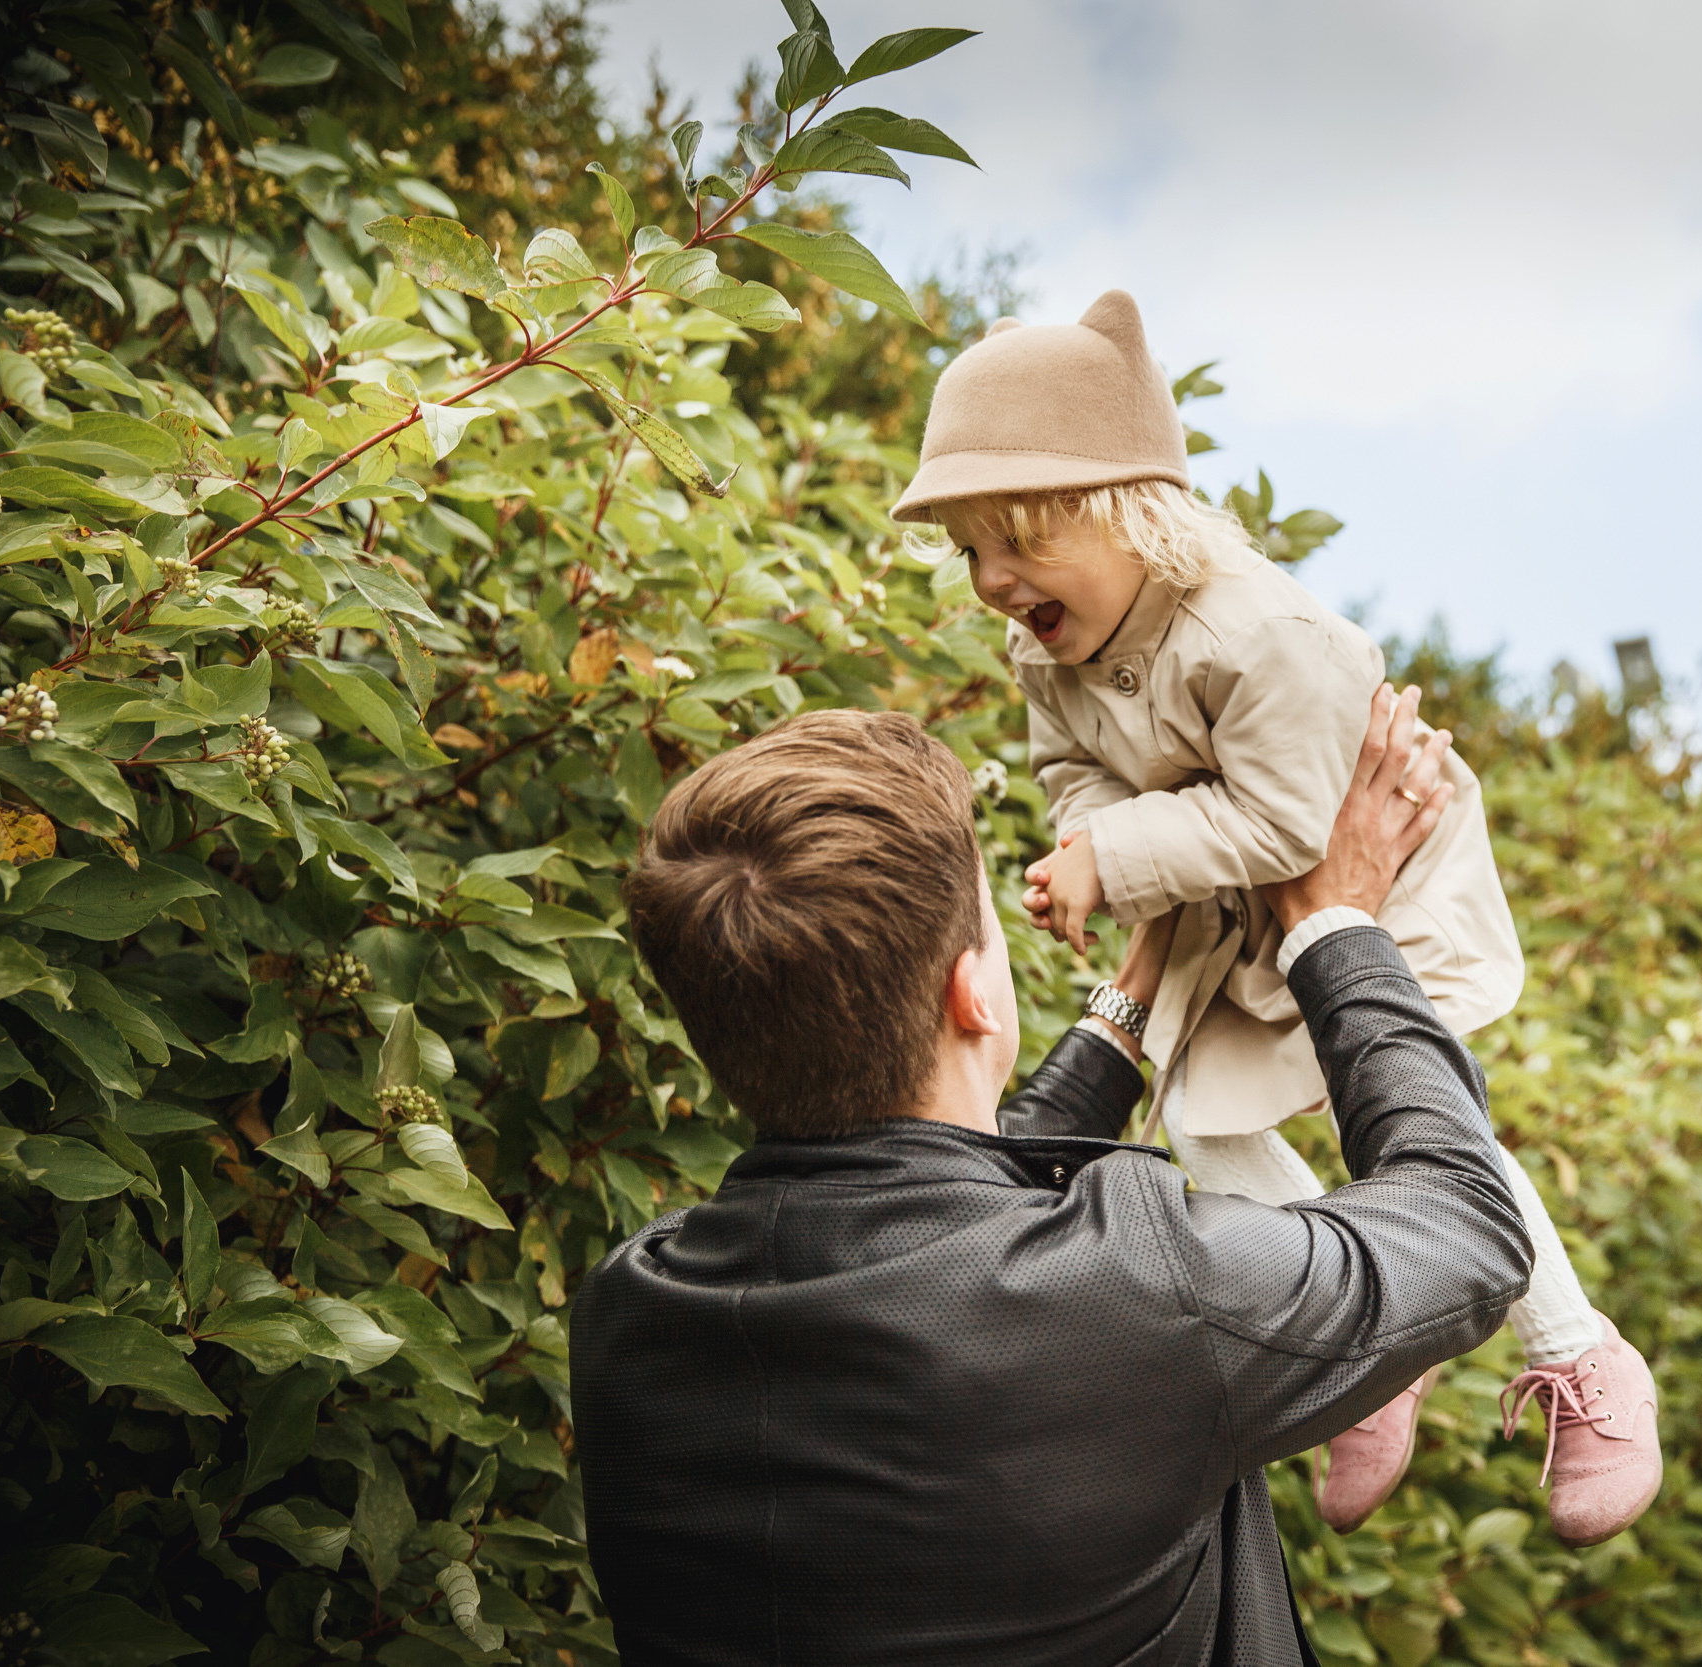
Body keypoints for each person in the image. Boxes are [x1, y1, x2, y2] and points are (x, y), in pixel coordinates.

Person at [888, 289, 1662, 1544]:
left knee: (1417, 1120)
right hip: (1228, 918)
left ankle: (1584, 1353)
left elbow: (1299, 833)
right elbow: (1068, 768)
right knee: (1200, 1120)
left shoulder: (1264, 635)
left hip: (1378, 892)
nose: (989, 580)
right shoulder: (1050, 647)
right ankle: (1363, 1328)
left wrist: (1119, 850)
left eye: (1015, 539)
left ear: (1127, 510)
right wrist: (1090, 835)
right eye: (968, 550)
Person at [572, 689, 1533, 1665]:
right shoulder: (1142, 1290)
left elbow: (939, 1212)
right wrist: (1335, 923)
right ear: (973, 988)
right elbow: (1464, 1230)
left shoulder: (631, 1313)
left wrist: (1138, 983)